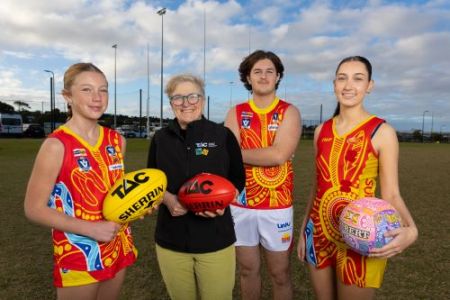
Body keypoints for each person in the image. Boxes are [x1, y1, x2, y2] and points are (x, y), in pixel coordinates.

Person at [297, 56, 418, 300]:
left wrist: (411, 230)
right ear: (334, 84)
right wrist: (303, 231)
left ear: (369, 85)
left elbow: (391, 193)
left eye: (358, 78)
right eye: (342, 78)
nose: (348, 85)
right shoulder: (321, 131)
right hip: (319, 234)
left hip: (361, 237)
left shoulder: (382, 132)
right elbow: (317, 187)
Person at [24, 63, 140, 300]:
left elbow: (115, 192)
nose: (97, 98)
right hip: (79, 252)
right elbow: (33, 209)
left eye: (103, 90)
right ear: (68, 96)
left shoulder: (117, 140)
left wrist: (139, 204)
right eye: (87, 90)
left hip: (118, 242)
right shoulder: (56, 145)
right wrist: (91, 229)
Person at [147, 74, 246, 300]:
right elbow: (152, 182)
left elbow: (238, 179)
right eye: (178, 98)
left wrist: (223, 200)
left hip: (215, 239)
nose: (186, 103)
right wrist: (168, 199)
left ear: (202, 100)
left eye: (192, 96)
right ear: (171, 103)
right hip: (171, 240)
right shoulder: (161, 138)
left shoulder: (222, 135)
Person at [225, 50, 302, 300]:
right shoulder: (234, 113)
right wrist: (270, 152)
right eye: (257, 71)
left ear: (278, 76)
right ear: (248, 77)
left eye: (270, 71)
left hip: (276, 206)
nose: (264, 76)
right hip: (241, 204)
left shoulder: (289, 112)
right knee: (248, 271)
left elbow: (279, 155)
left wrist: (239, 153)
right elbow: (228, 154)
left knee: (280, 274)